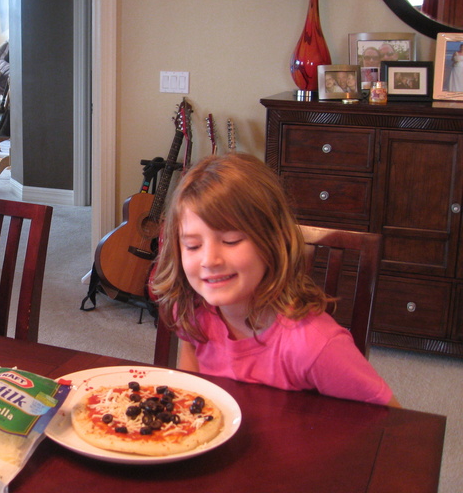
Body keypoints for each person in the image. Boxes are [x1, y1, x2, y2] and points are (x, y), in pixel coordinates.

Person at [151, 153, 399, 406]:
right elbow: (191, 383)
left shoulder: (315, 344)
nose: (209, 260)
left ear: (272, 240)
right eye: (192, 246)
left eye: (231, 241)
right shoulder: (191, 309)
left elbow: (391, 420)